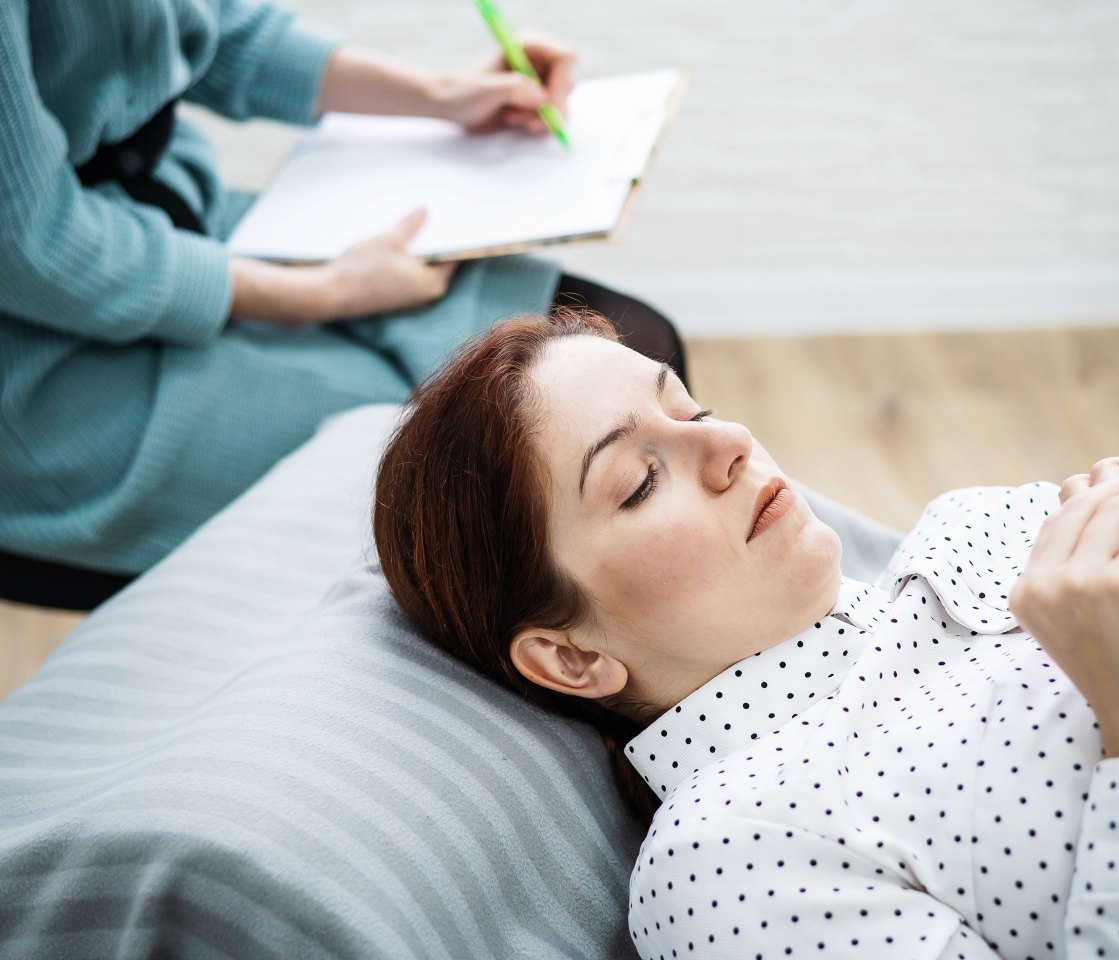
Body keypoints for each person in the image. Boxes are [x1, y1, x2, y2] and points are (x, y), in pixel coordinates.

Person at [372, 311, 1119, 959]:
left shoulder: (985, 524)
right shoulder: (732, 862)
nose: (731, 441)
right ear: (571, 656)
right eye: (640, 479)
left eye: (689, 408)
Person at [0, 0, 682, 607]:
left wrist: (443, 95)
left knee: (628, 344)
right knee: (470, 460)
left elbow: (222, 32)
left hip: (171, 219)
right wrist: (327, 293)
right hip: (43, 354)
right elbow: (36, 247)